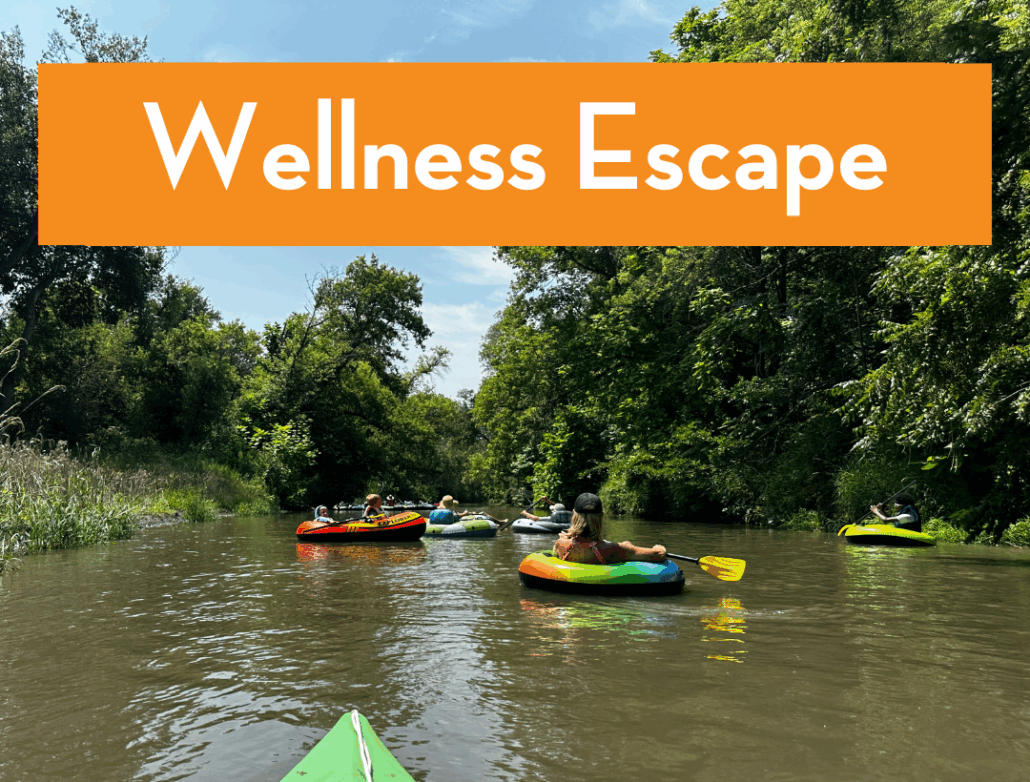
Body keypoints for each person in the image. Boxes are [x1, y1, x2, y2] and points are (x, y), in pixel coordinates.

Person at [553, 493, 667, 564]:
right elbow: (657, 554)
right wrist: (659, 547)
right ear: (601, 516)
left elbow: (556, 551)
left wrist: (567, 537)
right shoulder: (612, 549)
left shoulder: (561, 543)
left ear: (574, 514)